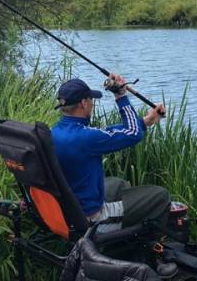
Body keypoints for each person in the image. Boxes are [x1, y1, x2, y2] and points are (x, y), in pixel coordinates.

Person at [50, 73, 170, 231]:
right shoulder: (86, 137)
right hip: (90, 218)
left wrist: (145, 121)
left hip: (67, 209)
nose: (92, 103)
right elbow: (133, 133)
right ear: (84, 103)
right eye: (91, 100)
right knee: (160, 196)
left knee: (119, 184)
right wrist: (120, 96)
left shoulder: (56, 131)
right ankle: (146, 246)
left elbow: (106, 132)